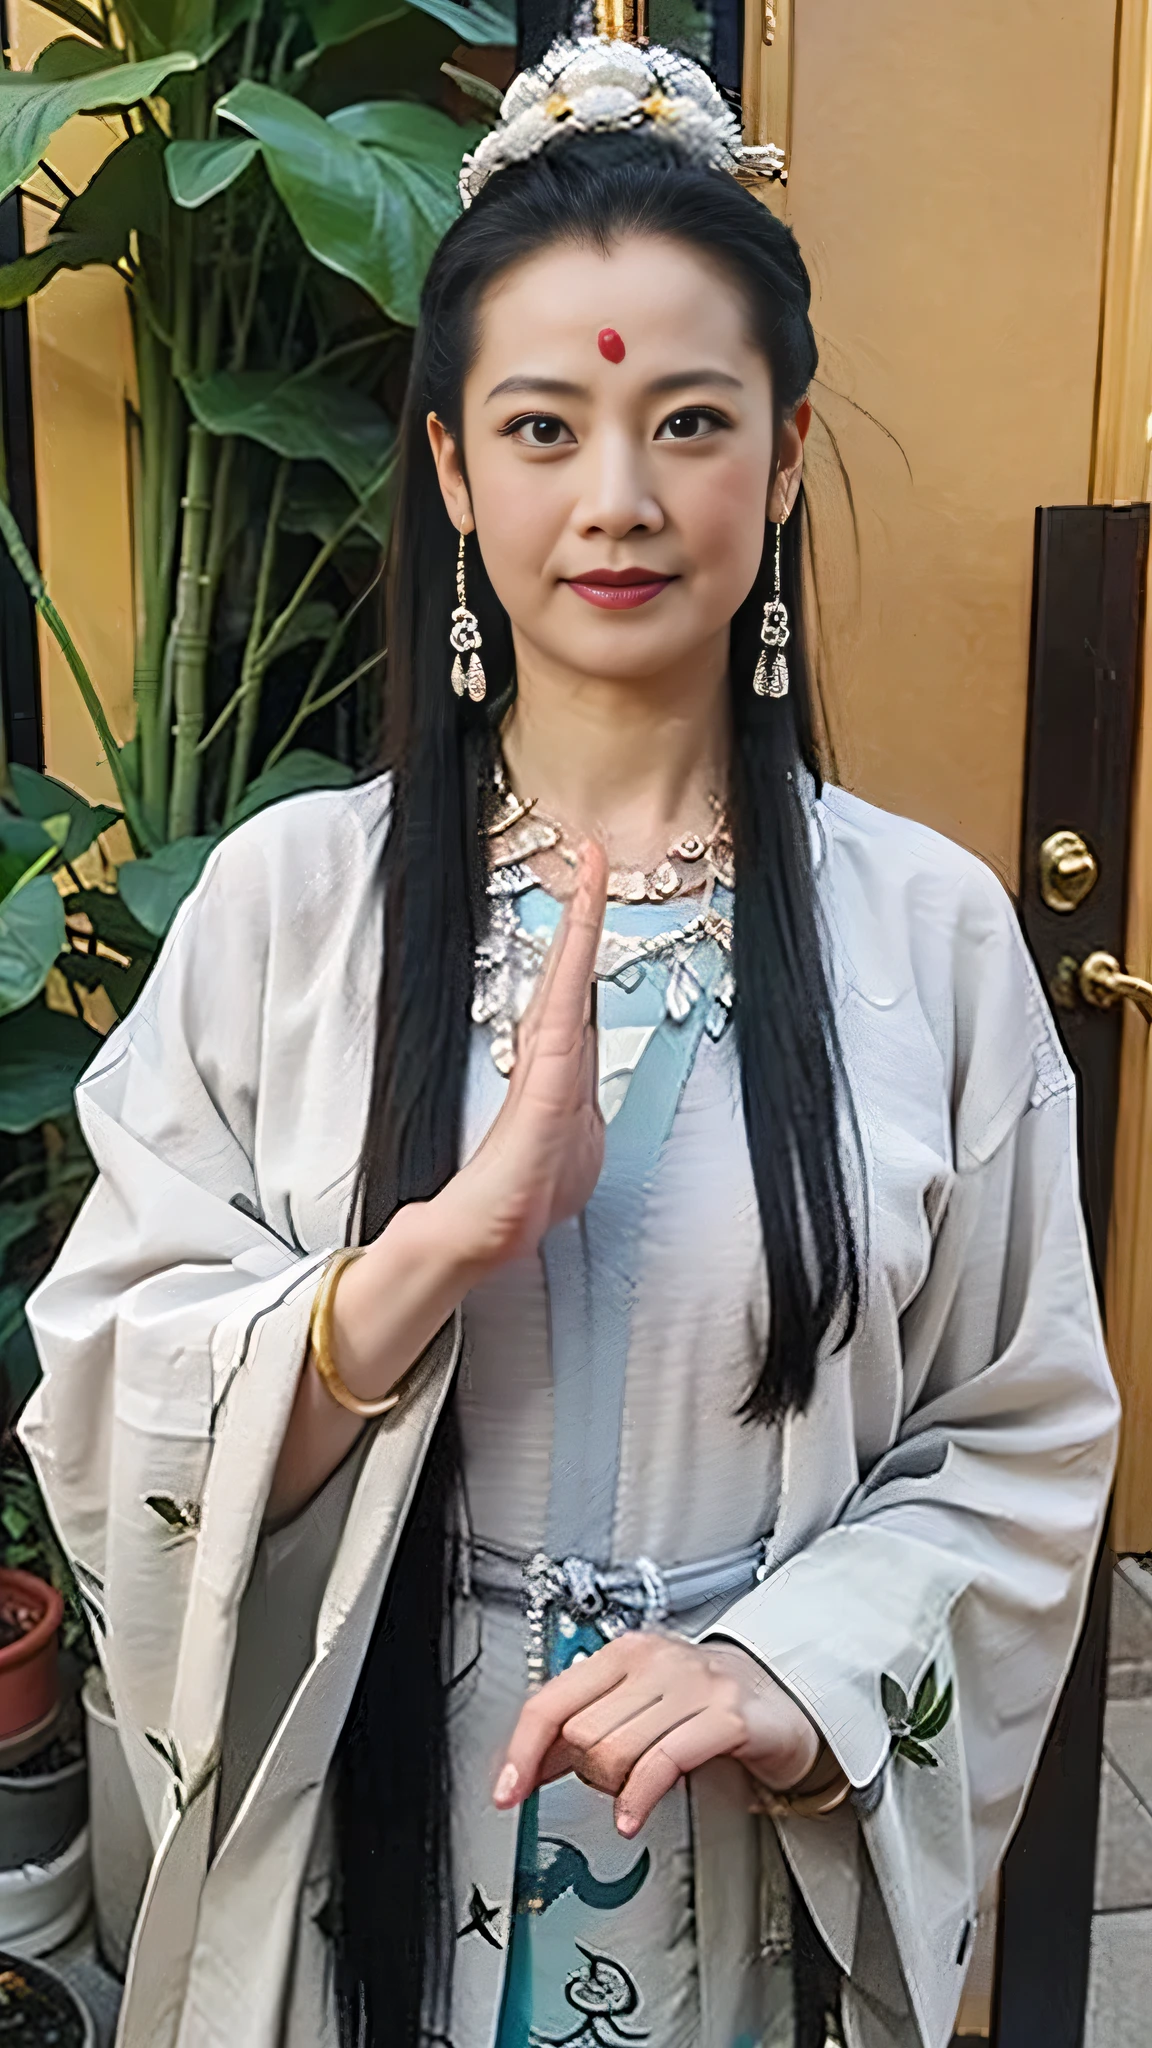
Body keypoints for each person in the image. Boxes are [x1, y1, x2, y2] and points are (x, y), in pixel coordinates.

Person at [21, 34, 1118, 2048]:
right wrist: (420, 1261)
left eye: (688, 419)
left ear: (782, 459)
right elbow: (109, 1380)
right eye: (542, 425)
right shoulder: (290, 909)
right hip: (367, 1862)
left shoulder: (929, 936)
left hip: (725, 1868)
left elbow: (1024, 1434)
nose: (616, 498)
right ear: (450, 464)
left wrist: (791, 1669)